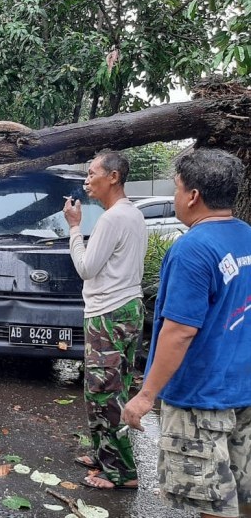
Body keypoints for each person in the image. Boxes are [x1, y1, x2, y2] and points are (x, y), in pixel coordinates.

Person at [124, 149, 251, 518]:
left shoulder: (193, 249)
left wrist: (146, 396)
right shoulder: (246, 236)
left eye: (177, 188)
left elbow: (179, 331)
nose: (176, 196)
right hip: (242, 389)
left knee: (210, 502)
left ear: (193, 195)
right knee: (242, 496)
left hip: (201, 398)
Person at [62, 150, 146, 490]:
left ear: (113, 177)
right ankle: (103, 453)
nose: (86, 179)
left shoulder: (112, 219)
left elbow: (86, 268)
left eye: (92, 172)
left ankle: (121, 473)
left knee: (102, 393)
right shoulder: (133, 214)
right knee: (116, 387)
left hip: (108, 313)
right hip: (128, 307)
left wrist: (74, 228)